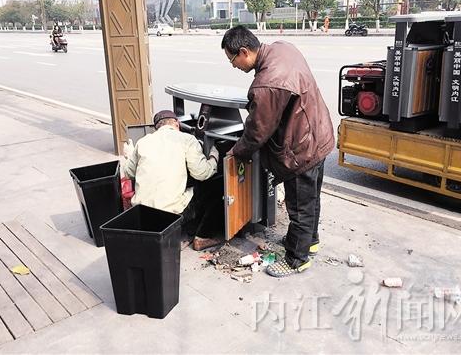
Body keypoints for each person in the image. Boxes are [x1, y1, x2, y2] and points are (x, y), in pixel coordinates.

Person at [221, 25, 335, 277]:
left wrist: (237, 152)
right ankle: (309, 241)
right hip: (318, 134)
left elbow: (257, 131)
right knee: (310, 200)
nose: (233, 66)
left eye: (232, 60)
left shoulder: (267, 84)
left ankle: (297, 259)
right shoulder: (283, 48)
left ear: (244, 51)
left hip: (300, 150)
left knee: (299, 207)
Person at [123, 110, 223, 251]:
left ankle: (190, 229)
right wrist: (214, 158)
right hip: (170, 217)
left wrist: (128, 155)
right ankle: (202, 236)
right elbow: (202, 173)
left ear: (156, 127)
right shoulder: (187, 139)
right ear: (177, 123)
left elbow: (128, 173)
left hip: (142, 214)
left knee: (186, 189)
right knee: (216, 187)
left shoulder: (143, 142)